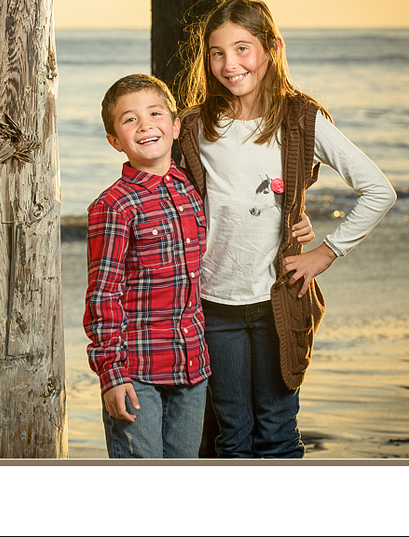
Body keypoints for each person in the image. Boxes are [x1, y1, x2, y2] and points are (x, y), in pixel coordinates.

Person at [177, 0, 397, 458]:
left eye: (242, 48)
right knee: (231, 436)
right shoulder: (196, 126)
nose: (229, 64)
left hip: (280, 300)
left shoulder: (301, 118)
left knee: (277, 431)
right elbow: (169, 196)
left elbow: (378, 189)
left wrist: (324, 253)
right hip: (214, 305)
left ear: (271, 47)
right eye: (217, 52)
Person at [83, 73, 315, 459]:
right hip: (137, 370)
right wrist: (111, 373)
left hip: (192, 366)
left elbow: (241, 219)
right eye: (129, 120)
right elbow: (103, 295)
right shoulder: (113, 206)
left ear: (176, 126)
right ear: (113, 140)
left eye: (155, 113)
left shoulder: (192, 190)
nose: (145, 125)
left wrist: (296, 226)